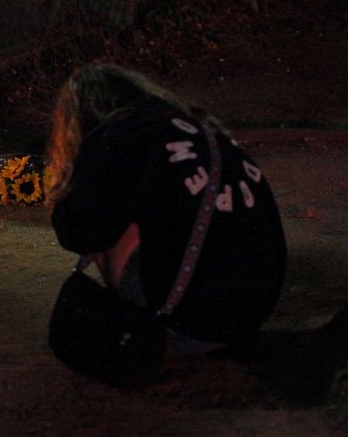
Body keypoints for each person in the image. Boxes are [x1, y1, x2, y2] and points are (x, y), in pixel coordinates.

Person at [46, 63, 286, 358]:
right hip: (249, 317)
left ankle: (135, 319)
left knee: (108, 223)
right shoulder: (202, 128)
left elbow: (78, 230)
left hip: (188, 324)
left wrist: (73, 185)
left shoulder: (120, 133)